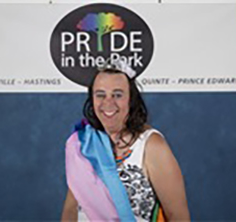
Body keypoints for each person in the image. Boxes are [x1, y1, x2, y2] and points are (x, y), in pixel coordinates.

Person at [61, 59, 190, 222]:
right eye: (100, 95)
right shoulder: (84, 144)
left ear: (131, 99)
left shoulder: (151, 145)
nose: (108, 102)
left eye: (117, 95)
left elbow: (178, 216)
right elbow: (70, 211)